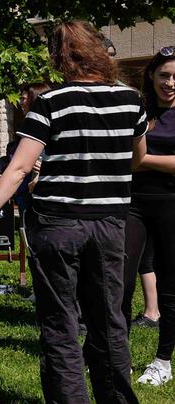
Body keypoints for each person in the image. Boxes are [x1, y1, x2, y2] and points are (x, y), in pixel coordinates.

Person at [0, 21, 147, 403]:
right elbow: (138, 157)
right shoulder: (131, 100)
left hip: (57, 225)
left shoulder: (51, 102)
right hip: (111, 225)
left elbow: (17, 168)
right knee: (109, 323)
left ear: (60, 57)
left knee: (61, 326)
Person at [122, 46, 175, 386]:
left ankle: (162, 361)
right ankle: (118, 355)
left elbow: (138, 160)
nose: (170, 82)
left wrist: (144, 162)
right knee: (120, 281)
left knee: (170, 285)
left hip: (171, 203)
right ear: (152, 76)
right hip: (133, 203)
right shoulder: (141, 110)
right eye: (164, 75)